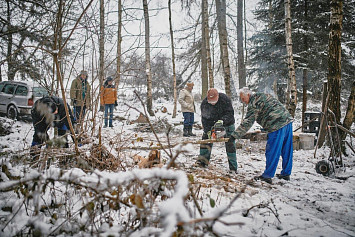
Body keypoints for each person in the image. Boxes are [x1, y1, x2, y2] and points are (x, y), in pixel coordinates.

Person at [229, 87, 294, 184]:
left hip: (276, 124)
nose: (242, 101)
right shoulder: (262, 95)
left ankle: (268, 176)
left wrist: (234, 135)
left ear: (248, 95)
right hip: (287, 121)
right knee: (287, 149)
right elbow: (269, 108)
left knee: (272, 150)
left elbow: (248, 122)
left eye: (243, 98)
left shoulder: (254, 103)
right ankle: (286, 174)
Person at [196, 88, 238, 173]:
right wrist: (208, 131)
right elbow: (204, 119)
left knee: (230, 144)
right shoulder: (204, 104)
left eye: (214, 101)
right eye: (210, 101)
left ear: (218, 96)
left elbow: (230, 114)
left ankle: (233, 167)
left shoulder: (225, 100)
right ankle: (202, 161)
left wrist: (222, 121)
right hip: (212, 124)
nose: (212, 103)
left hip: (227, 124)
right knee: (205, 140)